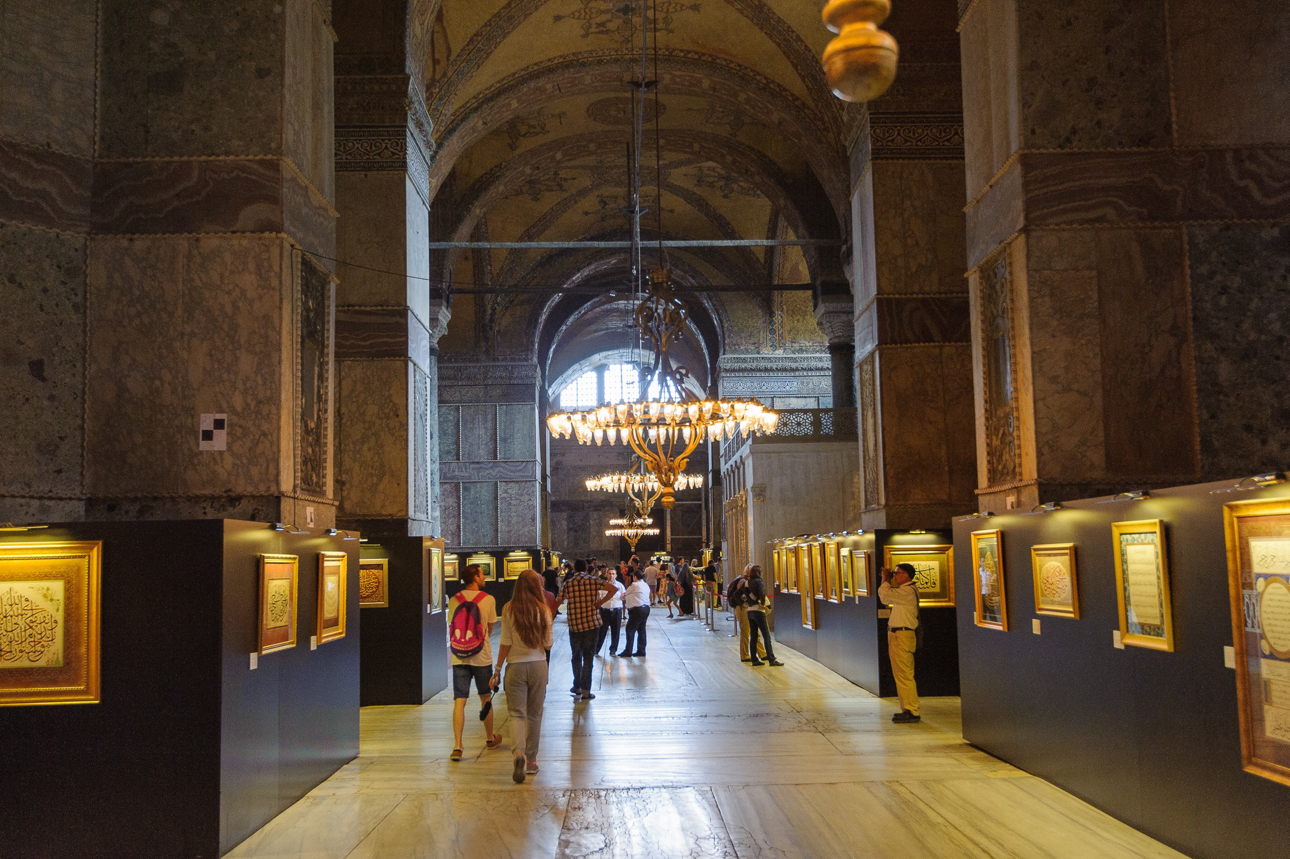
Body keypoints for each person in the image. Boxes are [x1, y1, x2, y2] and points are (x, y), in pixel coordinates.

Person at [492, 569, 553, 784]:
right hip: (538, 665)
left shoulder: (508, 609)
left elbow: (505, 642)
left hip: (515, 667)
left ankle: (518, 754)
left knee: (516, 714)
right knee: (535, 715)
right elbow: (548, 644)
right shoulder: (544, 610)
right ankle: (532, 761)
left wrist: (497, 669)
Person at [449, 563, 501, 761]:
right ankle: (489, 738)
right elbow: (490, 627)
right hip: (481, 656)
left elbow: (452, 625)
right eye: (482, 575)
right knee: (485, 697)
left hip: (459, 656)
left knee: (459, 700)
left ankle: (457, 746)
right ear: (475, 578)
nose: (484, 578)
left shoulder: (455, 600)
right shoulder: (488, 600)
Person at [556, 558, 613, 700]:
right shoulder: (593, 580)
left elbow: (559, 600)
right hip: (592, 624)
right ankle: (587, 690)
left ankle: (577, 686)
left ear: (574, 569)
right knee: (588, 657)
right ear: (587, 568)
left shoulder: (569, 583)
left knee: (576, 656)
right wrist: (600, 602)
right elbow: (613, 589)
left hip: (575, 624)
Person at [879, 563, 920, 723]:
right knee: (900, 674)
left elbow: (883, 595)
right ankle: (907, 709)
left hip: (902, 635)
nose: (894, 576)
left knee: (904, 674)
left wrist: (884, 579)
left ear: (907, 575)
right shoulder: (906, 591)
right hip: (897, 634)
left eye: (898, 573)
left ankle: (912, 710)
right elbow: (885, 596)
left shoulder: (907, 591)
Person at [744, 564, 783, 666]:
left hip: (749, 610)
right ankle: (771, 659)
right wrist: (761, 602)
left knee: (753, 636)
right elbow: (762, 592)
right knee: (766, 635)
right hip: (758, 610)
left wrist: (747, 601)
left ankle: (754, 659)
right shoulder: (759, 581)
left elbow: (739, 593)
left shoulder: (747, 582)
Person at [728, 565, 766, 663]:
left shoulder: (748, 581)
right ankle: (744, 655)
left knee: (755, 631)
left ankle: (762, 653)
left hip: (748, 607)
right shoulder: (743, 581)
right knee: (745, 631)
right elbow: (739, 595)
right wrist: (744, 603)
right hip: (743, 608)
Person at [619, 568, 651, 657]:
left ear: (635, 577)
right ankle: (641, 650)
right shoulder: (645, 585)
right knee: (641, 630)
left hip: (637, 610)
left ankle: (628, 651)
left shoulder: (634, 585)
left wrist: (624, 596)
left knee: (630, 629)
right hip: (646, 609)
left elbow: (625, 593)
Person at [596, 567, 625, 656]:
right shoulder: (603, 585)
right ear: (606, 575)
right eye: (610, 573)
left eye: (613, 574)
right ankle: (596, 650)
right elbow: (599, 597)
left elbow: (623, 596)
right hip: (605, 611)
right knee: (602, 631)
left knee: (615, 631)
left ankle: (613, 650)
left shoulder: (620, 586)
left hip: (616, 610)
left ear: (616, 575)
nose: (611, 575)